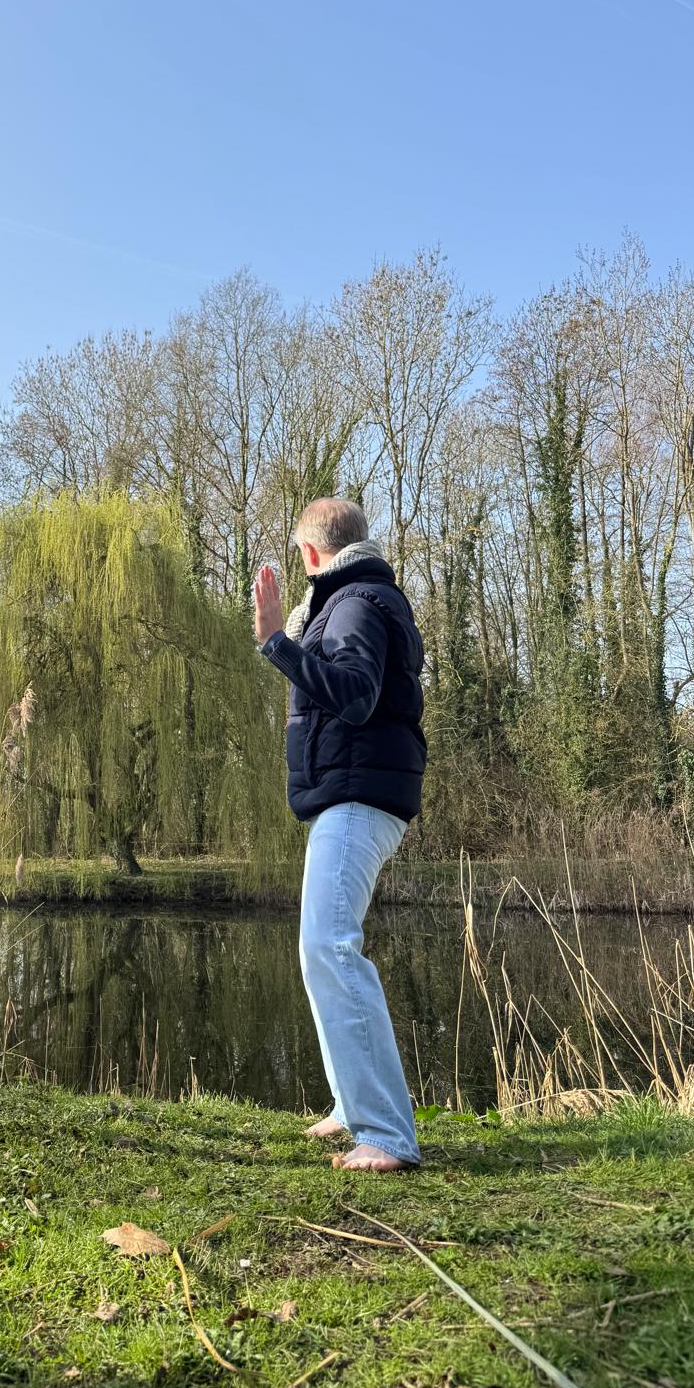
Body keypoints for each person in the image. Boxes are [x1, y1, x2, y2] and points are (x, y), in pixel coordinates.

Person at [253, 498, 426, 1171]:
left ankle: (385, 1132)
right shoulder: (361, 598)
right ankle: (352, 1107)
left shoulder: (352, 602)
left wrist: (278, 645)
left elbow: (353, 694)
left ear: (309, 553)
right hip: (353, 793)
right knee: (318, 948)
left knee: (330, 945)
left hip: (359, 794)